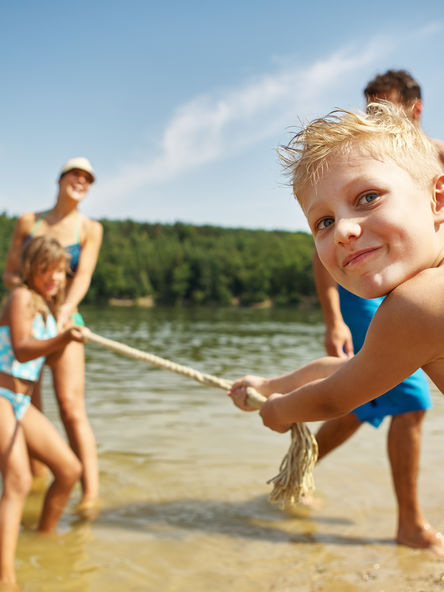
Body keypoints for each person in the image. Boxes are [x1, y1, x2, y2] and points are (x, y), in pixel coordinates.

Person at [229, 101, 444, 555]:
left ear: (437, 199)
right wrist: (272, 383)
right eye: (323, 222)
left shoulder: (416, 304)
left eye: (368, 197)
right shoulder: (419, 303)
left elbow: (336, 396)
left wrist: (279, 410)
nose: (343, 229)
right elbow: (359, 370)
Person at [310, 69, 442, 552]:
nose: (373, 119)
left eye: (383, 109)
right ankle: (409, 525)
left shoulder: (439, 157)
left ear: (415, 109)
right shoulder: (361, 160)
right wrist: (333, 318)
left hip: (428, 290)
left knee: (365, 399)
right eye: (369, 109)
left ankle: (297, 469)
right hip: (369, 293)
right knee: (408, 402)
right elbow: (325, 242)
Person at [3, 157, 103, 516]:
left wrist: (63, 311)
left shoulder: (91, 228)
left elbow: (83, 276)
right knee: (29, 402)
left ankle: (89, 493)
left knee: (71, 407)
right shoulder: (29, 221)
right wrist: (31, 297)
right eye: (75, 175)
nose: (81, 181)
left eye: (88, 179)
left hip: (64, 318)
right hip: (29, 312)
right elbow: (11, 272)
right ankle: (34, 479)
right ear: (61, 180)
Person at [0, 236, 86, 586]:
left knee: (69, 469)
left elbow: (42, 359)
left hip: (19, 402)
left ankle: (44, 537)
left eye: (60, 272)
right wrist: (64, 339)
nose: (54, 278)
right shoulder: (21, 297)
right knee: (19, 480)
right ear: (31, 270)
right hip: (2, 395)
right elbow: (21, 351)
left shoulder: (49, 309)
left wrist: (66, 338)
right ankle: (6, 576)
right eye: (46, 270)